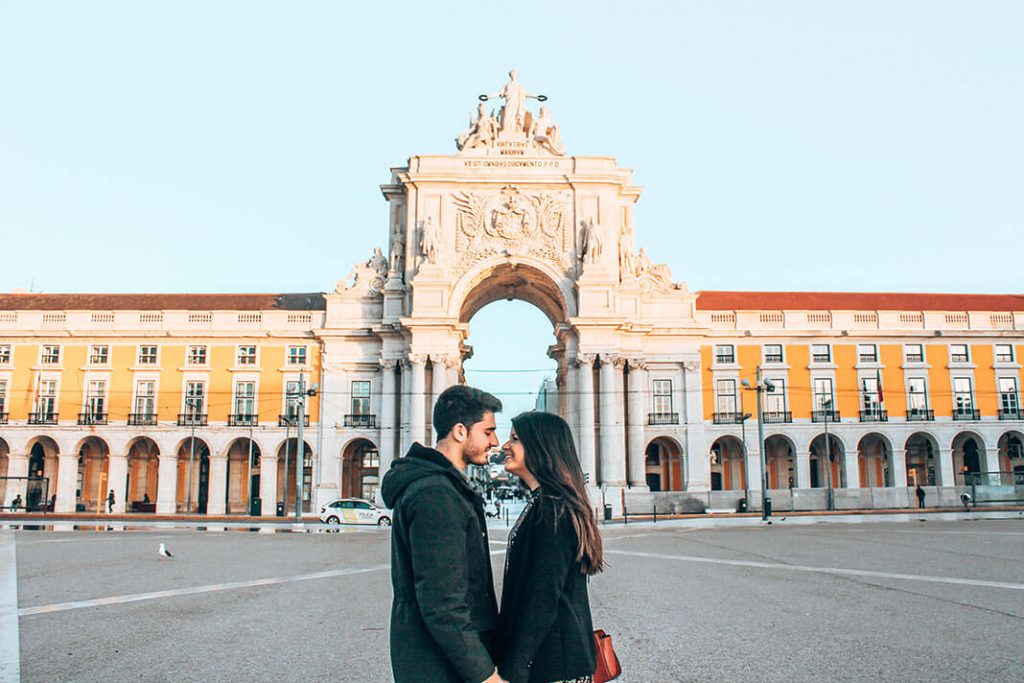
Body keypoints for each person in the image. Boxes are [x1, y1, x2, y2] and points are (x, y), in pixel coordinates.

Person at [381, 385, 506, 683]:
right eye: (488, 432)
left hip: (436, 659)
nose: (495, 441)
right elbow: (443, 603)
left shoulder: (440, 487)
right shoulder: (436, 494)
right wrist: (485, 675)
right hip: (438, 666)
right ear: (461, 431)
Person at [497, 411, 603, 683]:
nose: (505, 446)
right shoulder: (547, 503)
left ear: (540, 446)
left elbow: (543, 597)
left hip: (553, 664)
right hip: (554, 659)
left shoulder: (553, 509)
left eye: (515, 439)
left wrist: (517, 664)